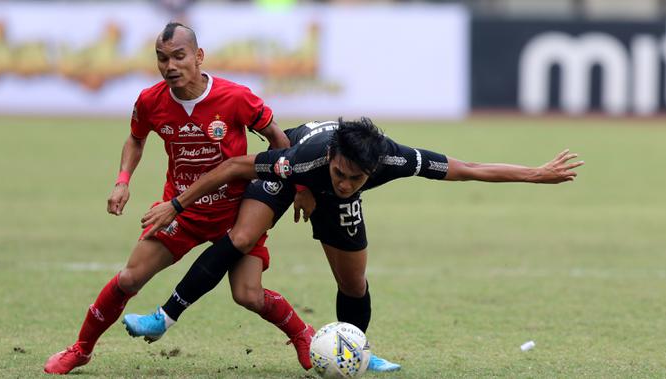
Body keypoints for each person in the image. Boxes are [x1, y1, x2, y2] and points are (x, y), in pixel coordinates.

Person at [127, 118, 584, 372]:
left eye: (356, 179)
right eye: (341, 173)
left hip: (316, 190)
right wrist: (177, 205)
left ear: (373, 170)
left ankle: (355, 352)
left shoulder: (394, 158)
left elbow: (466, 168)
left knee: (353, 280)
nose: (346, 183)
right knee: (243, 236)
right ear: (332, 158)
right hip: (296, 180)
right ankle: (164, 316)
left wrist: (536, 174)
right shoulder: (302, 160)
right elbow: (232, 168)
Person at [43, 22, 314, 374]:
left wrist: (300, 189)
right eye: (162, 58)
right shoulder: (150, 101)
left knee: (248, 294)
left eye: (178, 56)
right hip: (180, 214)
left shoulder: (236, 97)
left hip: (235, 214)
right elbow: (136, 138)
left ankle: (302, 334)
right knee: (128, 279)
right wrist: (123, 180)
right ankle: (80, 349)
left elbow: (279, 141)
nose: (170, 66)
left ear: (198, 57)